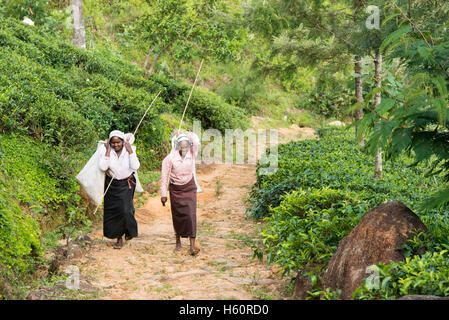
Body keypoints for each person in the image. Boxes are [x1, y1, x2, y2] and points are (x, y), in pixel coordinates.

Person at [160, 131, 200, 255]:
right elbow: (164, 177)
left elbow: (197, 142)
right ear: (177, 146)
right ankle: (178, 240)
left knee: (191, 214)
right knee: (178, 215)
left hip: (189, 187)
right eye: (181, 146)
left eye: (186, 146)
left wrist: (186, 134)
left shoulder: (192, 154)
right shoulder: (170, 159)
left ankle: (192, 245)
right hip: (176, 189)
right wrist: (163, 194)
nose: (184, 149)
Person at [99, 130, 140, 249]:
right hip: (112, 185)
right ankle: (119, 238)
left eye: (118, 143)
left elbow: (136, 166)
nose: (116, 145)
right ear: (109, 143)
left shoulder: (129, 151)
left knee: (126, 210)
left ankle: (129, 230)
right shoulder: (106, 151)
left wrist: (130, 151)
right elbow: (103, 167)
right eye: (113, 143)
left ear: (123, 142)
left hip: (127, 184)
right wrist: (107, 151)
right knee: (114, 211)